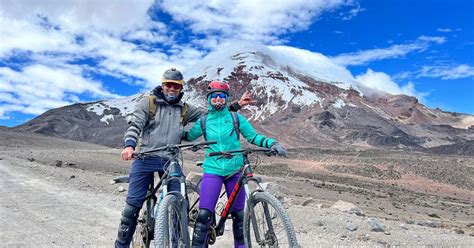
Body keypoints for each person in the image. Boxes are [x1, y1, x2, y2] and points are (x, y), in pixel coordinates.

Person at [115, 69, 254, 248]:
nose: (172, 89)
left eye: (176, 86)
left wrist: (237, 105)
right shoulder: (148, 103)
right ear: (163, 85)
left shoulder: (184, 109)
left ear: (180, 88)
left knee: (181, 203)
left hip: (170, 160)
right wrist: (129, 146)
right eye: (168, 85)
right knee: (132, 208)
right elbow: (136, 124)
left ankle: (177, 243)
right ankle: (120, 245)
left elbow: (213, 114)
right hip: (145, 158)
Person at [182, 81, 288, 248]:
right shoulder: (203, 121)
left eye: (222, 96)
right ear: (209, 99)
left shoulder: (235, 118)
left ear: (226, 99)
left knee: (239, 217)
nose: (218, 99)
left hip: (234, 171)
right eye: (214, 96)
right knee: (204, 215)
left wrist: (272, 143)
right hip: (213, 170)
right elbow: (188, 137)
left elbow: (253, 137)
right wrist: (171, 130)